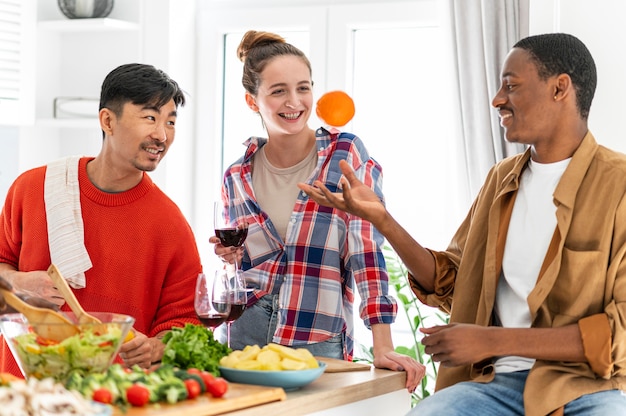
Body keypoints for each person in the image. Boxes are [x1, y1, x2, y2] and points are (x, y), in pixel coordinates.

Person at [299, 32, 626, 415]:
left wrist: (492, 341)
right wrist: (382, 220)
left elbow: (619, 333)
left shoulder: (618, 185)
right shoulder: (501, 179)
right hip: (491, 387)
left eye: (511, 86)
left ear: (560, 88)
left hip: (584, 389)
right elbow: (451, 281)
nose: (497, 100)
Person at [210, 30, 425, 393]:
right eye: (278, 91)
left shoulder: (345, 155)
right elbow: (242, 268)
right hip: (244, 339)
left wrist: (383, 344)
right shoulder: (236, 174)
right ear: (252, 101)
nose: (294, 101)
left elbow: (366, 252)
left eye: (303, 88)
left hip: (316, 338)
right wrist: (232, 255)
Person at [0, 63, 202, 377]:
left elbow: (186, 323)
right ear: (108, 120)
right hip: (24, 393)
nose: (162, 135)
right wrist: (18, 282)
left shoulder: (170, 224)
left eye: (171, 121)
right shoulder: (32, 188)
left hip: (115, 397)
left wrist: (156, 347)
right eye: (150, 117)